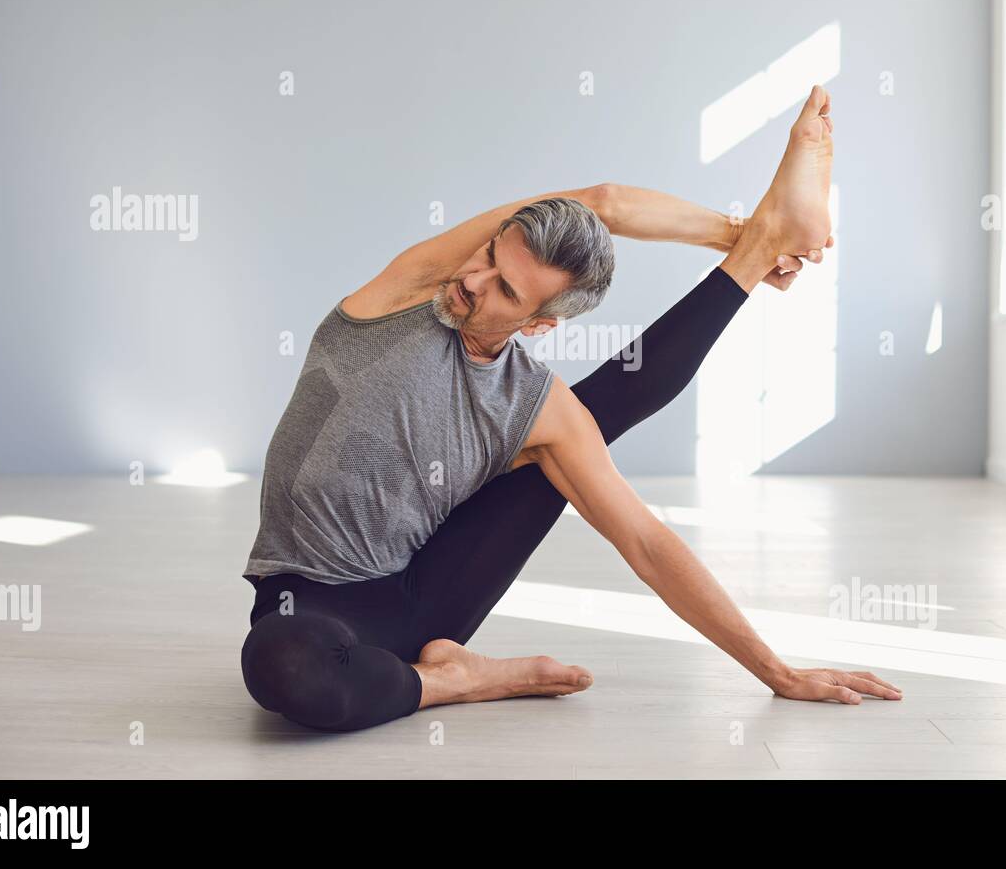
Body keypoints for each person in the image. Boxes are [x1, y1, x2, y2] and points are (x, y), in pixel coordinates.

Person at [240, 85, 902, 731]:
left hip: (421, 604)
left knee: (587, 415)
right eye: (488, 256)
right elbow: (603, 203)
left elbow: (645, 541)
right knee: (283, 663)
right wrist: (737, 231)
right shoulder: (409, 288)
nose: (472, 281)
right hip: (309, 601)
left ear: (538, 325)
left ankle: (443, 679)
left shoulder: (533, 402)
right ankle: (456, 680)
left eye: (505, 290)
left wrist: (777, 672)